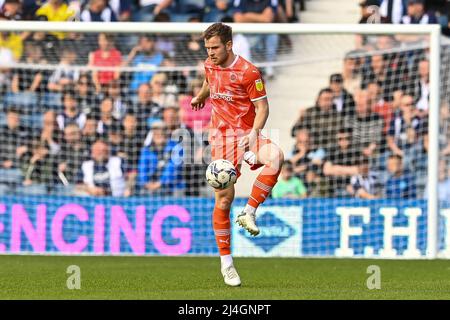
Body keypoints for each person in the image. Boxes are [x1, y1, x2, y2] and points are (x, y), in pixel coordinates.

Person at [190, 23, 284, 286]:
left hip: (247, 132)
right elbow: (209, 81)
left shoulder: (248, 72)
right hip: (221, 138)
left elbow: (263, 108)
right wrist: (200, 96)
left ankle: (250, 212)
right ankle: (227, 264)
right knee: (223, 200)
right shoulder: (210, 64)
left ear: (229, 45)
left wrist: (254, 133)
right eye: (207, 48)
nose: (210, 53)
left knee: (276, 157)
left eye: (215, 48)